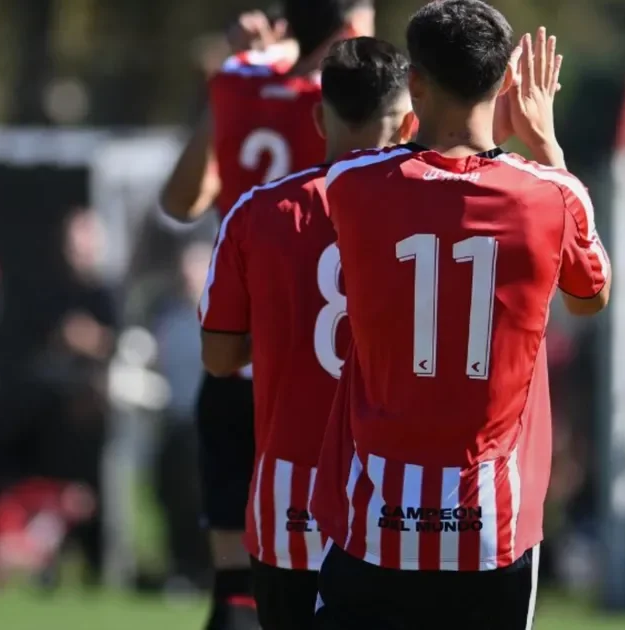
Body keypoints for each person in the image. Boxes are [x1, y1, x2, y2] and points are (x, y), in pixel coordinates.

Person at [311, 2, 610, 627]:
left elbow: (399, 173)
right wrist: (547, 144)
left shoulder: (351, 186)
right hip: (489, 529)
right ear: (506, 82)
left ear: (414, 83)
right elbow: (590, 297)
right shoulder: (553, 195)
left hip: (378, 519)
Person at [159, 3, 375, 628]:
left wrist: (238, 78)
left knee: (236, 580)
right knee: (332, 576)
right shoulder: (345, 105)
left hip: (233, 356)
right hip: (315, 372)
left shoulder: (240, 85)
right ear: (342, 30)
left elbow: (182, 201)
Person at [200, 37, 416, 629]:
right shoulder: (425, 215)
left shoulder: (255, 212)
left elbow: (219, 358)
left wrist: (279, 336)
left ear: (319, 116)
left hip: (289, 487)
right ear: (407, 124)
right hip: (389, 486)